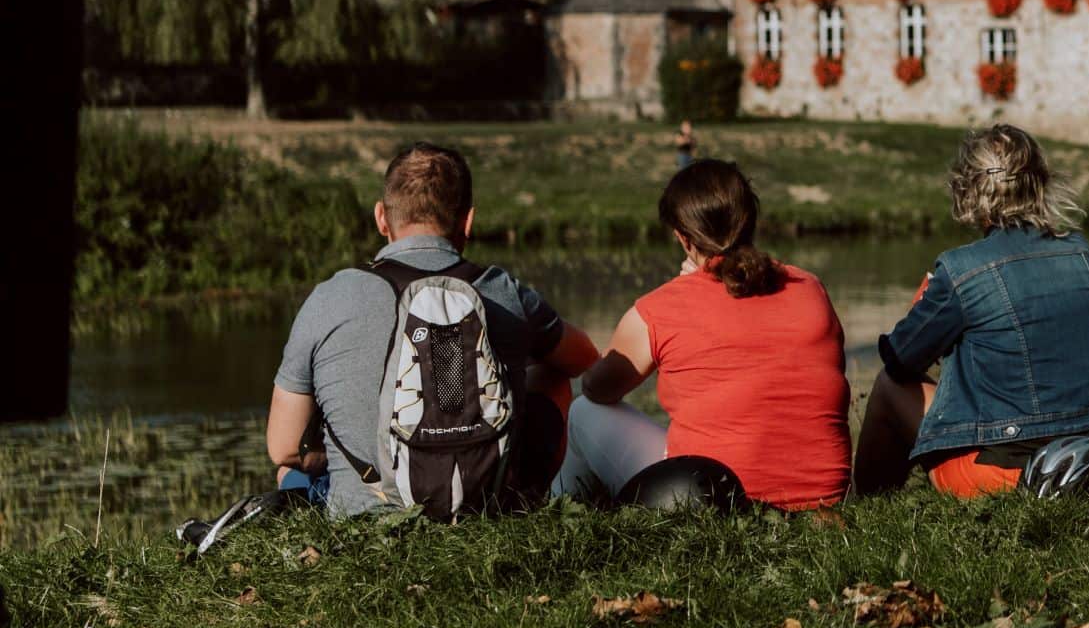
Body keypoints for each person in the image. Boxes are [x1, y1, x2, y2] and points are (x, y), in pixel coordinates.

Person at [266, 142, 597, 519]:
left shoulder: (330, 297)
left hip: (364, 516)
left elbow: (283, 446)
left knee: (289, 470)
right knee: (554, 374)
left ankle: (357, 504)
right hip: (485, 508)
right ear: (468, 222)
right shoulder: (504, 291)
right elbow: (584, 357)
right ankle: (521, 499)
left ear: (381, 218)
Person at [851, 125, 1089, 497]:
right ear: (1039, 183)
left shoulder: (960, 270)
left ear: (967, 190)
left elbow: (901, 360)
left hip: (1011, 470)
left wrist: (925, 308)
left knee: (889, 385)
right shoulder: (1080, 253)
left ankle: (868, 502)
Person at [554, 160, 851, 510]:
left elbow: (597, 388)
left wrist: (683, 289)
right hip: (826, 498)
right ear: (750, 222)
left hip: (715, 499)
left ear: (683, 236)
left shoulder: (662, 308)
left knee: (583, 410)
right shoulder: (810, 288)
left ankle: (562, 509)